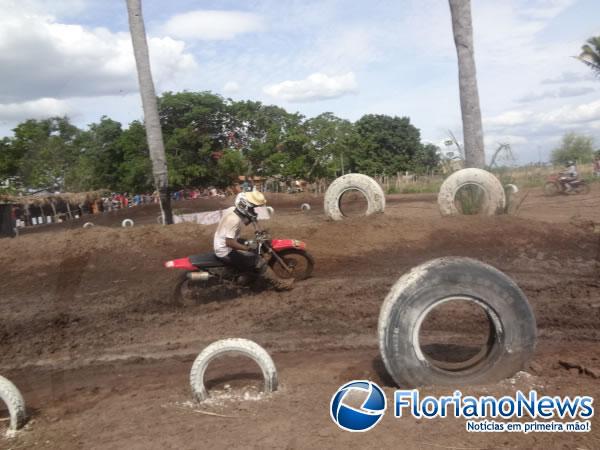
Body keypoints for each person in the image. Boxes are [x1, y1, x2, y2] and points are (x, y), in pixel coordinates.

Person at [213, 190, 294, 290]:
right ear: (246, 206)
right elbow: (229, 242)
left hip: (223, 241)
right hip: (225, 250)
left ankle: (249, 274)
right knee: (258, 260)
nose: (253, 210)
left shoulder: (233, 210)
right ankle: (280, 285)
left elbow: (248, 219)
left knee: (253, 244)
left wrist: (257, 225)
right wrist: (247, 249)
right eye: (252, 207)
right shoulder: (234, 220)